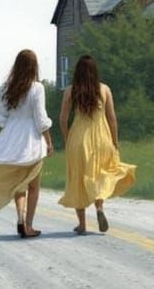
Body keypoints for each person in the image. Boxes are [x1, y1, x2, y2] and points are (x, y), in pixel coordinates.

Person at [0, 49, 54, 237]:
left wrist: (9, 135)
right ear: (34, 66)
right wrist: (49, 142)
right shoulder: (37, 88)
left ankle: (20, 218)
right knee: (33, 185)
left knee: (19, 183)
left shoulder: (7, 87)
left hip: (12, 137)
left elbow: (0, 119)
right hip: (32, 140)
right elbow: (41, 120)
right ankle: (29, 225)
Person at [58, 55, 136, 234]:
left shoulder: (70, 91)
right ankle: (99, 208)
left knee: (78, 179)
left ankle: (82, 224)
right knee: (99, 176)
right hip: (102, 139)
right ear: (95, 72)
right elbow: (112, 119)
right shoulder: (104, 89)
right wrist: (115, 142)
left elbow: (62, 119)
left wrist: (67, 138)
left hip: (79, 139)